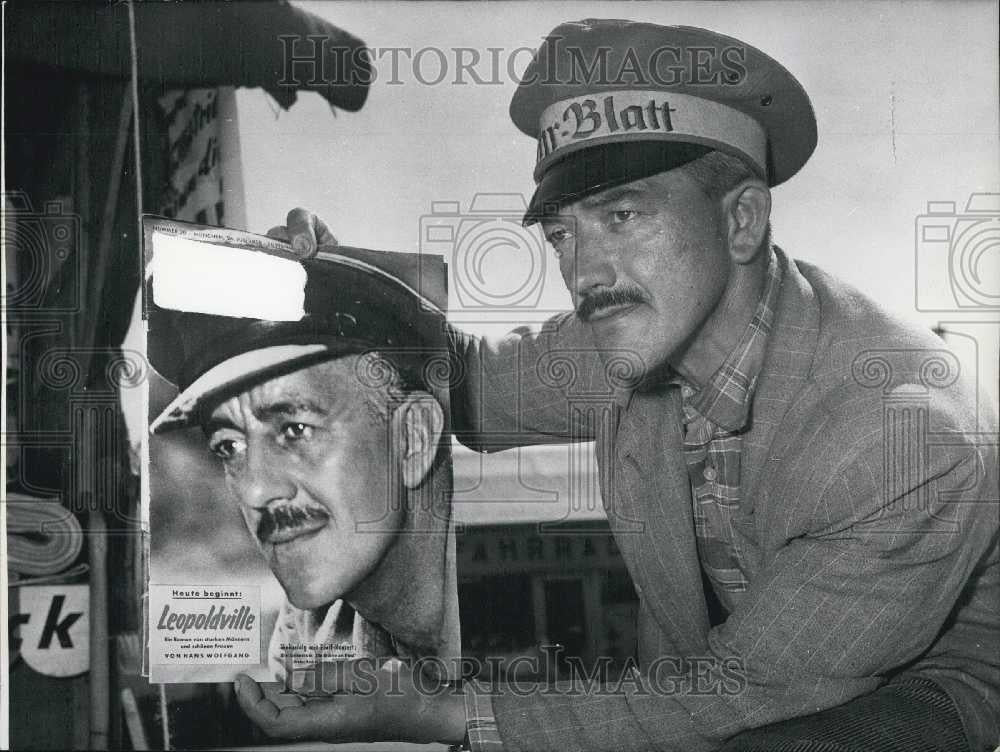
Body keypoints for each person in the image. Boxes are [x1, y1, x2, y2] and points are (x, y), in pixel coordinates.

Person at [235, 19, 999, 752]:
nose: (583, 273)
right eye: (563, 233)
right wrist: (336, 286)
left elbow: (746, 689)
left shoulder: (901, 435)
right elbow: (459, 384)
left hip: (920, 689)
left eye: (622, 215)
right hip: (727, 680)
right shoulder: (632, 334)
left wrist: (438, 711)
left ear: (742, 221)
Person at [148, 241, 460, 687]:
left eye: (295, 430)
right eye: (229, 447)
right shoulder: (305, 646)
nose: (256, 491)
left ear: (412, 438)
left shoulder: (516, 636)